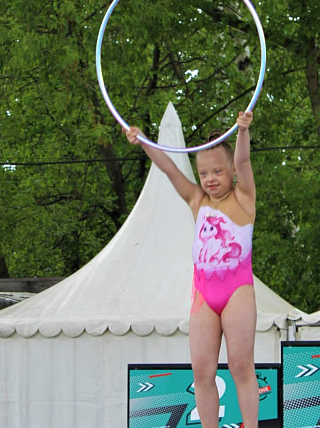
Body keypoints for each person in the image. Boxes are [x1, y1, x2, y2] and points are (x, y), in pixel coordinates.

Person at [124, 111, 258, 428]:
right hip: (203, 294)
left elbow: (243, 163)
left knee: (240, 366)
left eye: (217, 171)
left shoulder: (244, 198)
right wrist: (142, 140)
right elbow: (169, 168)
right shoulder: (198, 200)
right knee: (201, 370)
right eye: (203, 173)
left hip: (237, 290)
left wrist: (242, 132)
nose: (210, 178)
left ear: (230, 173)